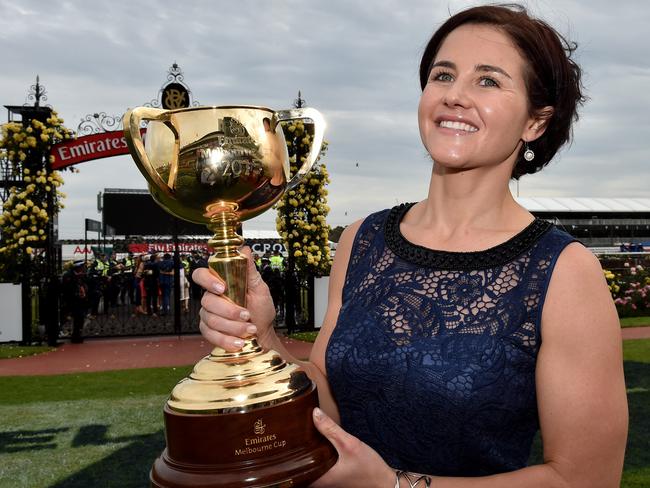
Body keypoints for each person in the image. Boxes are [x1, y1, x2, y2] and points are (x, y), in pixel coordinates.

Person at [193, 5, 628, 486]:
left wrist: (393, 485)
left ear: (536, 123)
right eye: (444, 75)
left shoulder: (563, 270)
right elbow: (329, 401)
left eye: (488, 81)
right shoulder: (363, 240)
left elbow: (585, 477)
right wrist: (265, 337)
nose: (455, 96)